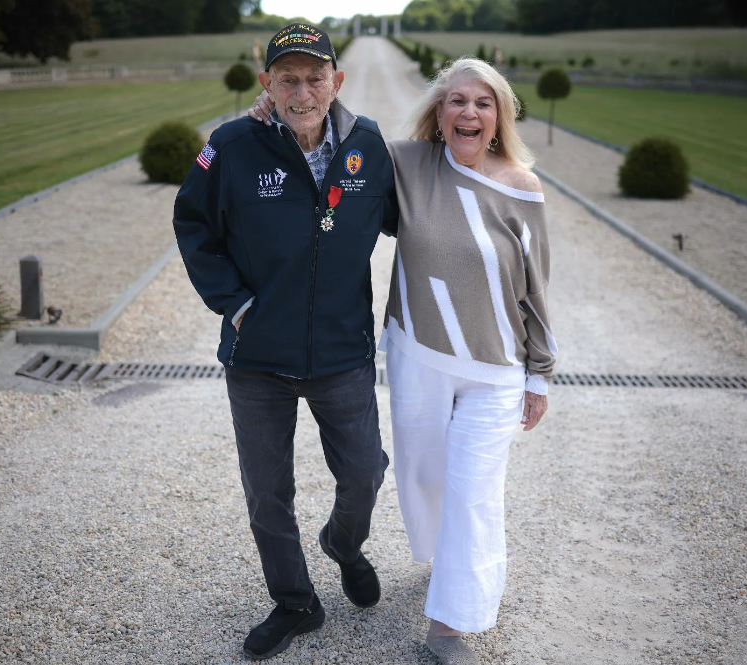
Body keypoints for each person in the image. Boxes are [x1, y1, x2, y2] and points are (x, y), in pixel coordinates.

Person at [248, 57, 555, 664]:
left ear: (499, 117)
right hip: (419, 356)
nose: (469, 112)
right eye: (456, 102)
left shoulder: (522, 186)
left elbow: (536, 286)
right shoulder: (406, 164)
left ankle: (449, 626)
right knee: (421, 478)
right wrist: (273, 115)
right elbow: (332, 147)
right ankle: (448, 561)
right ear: (438, 115)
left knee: (474, 491)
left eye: (483, 103)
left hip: (495, 369)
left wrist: (539, 372)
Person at [173, 23, 399, 661]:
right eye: (288, 78)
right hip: (258, 360)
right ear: (267, 83)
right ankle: (295, 602)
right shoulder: (233, 145)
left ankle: (344, 543)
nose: (303, 91)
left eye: (314, 77)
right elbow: (193, 224)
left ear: (337, 81)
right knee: (268, 491)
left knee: (365, 472)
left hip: (342, 354)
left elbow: (412, 219)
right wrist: (236, 304)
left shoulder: (368, 147)